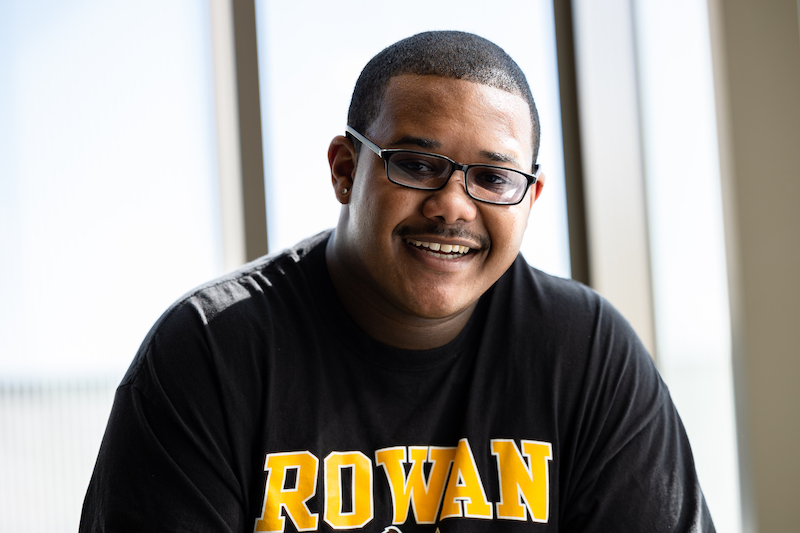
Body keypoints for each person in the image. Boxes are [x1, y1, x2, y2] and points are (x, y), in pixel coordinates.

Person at [80, 31, 715, 532]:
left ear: (530, 198)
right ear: (344, 171)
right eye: (416, 164)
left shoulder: (586, 353)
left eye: (493, 179)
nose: (453, 205)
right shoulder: (210, 352)